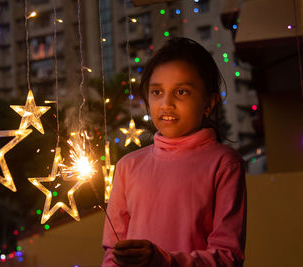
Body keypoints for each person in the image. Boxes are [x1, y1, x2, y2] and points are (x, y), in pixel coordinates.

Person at [102, 37, 247, 267]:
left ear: (209, 103)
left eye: (181, 92)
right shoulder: (127, 167)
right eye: (157, 92)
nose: (166, 103)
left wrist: (162, 260)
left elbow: (228, 257)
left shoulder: (224, 164)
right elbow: (113, 251)